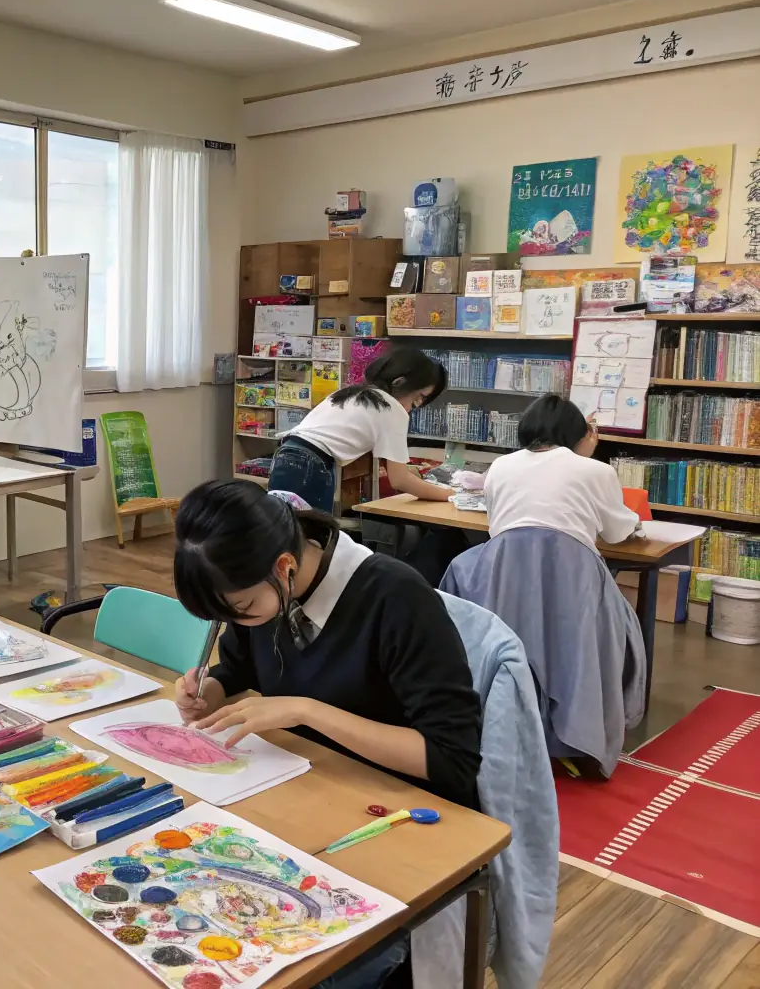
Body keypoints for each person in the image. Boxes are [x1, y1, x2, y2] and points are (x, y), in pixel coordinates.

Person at [171, 480, 483, 987]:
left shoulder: (395, 596)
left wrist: (309, 712)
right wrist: (208, 690)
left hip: (400, 824)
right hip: (307, 800)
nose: (236, 623)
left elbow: (450, 757)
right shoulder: (265, 592)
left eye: (241, 610)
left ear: (284, 568)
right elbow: (238, 667)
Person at [270, 346, 452, 510]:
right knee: (312, 539)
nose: (417, 405)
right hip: (312, 464)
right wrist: (449, 495)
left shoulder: (350, 394)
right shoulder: (392, 410)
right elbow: (400, 479)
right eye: (419, 397)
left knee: (281, 533)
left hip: (285, 454)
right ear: (400, 382)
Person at [484, 393, 642, 551]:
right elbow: (617, 534)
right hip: (571, 572)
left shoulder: (500, 465)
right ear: (578, 434)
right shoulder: (597, 470)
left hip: (504, 570)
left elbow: (496, 526)